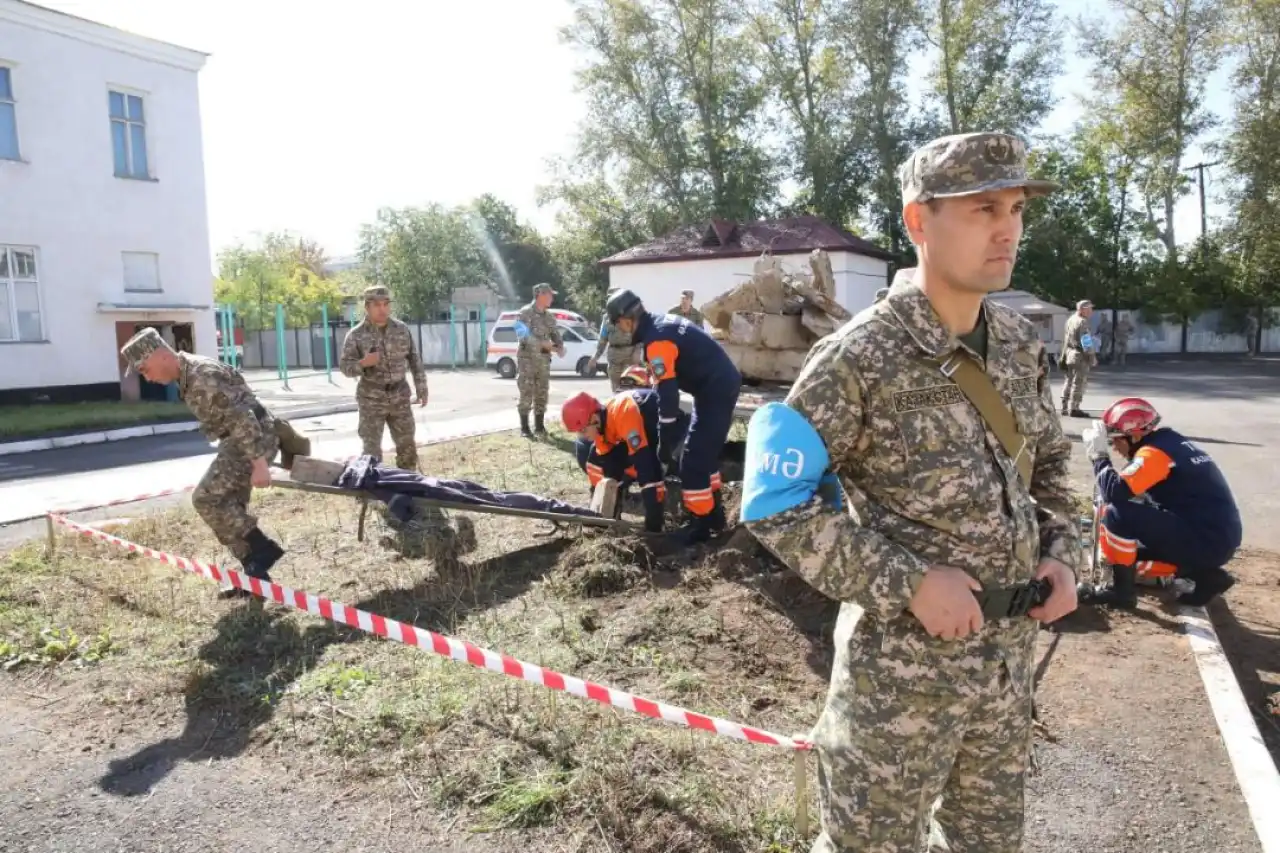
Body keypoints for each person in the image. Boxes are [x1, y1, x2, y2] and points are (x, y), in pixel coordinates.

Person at [739, 131, 1080, 853]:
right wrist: (911, 581)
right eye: (984, 207)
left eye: (1017, 207)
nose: (1009, 227)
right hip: (898, 688)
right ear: (918, 222)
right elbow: (774, 503)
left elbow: (1053, 461)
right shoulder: (857, 355)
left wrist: (1063, 550)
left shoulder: (1019, 344)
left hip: (1005, 668)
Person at [120, 327, 296, 594]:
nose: (147, 377)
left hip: (254, 438)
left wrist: (259, 465)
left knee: (206, 498)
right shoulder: (188, 374)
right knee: (229, 505)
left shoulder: (202, 376)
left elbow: (243, 418)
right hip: (239, 440)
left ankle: (261, 547)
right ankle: (255, 575)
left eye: (145, 369)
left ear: (160, 356)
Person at [605, 287, 742, 543]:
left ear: (626, 320)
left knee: (692, 463)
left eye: (619, 325)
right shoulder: (659, 324)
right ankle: (714, 516)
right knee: (700, 453)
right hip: (713, 387)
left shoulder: (657, 341)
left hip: (716, 390)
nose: (622, 330)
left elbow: (668, 395)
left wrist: (664, 439)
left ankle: (702, 527)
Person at [1078, 397, 1242, 608]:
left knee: (1116, 513)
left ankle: (1121, 594)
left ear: (1134, 435)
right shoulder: (1171, 441)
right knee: (1129, 556)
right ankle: (1208, 576)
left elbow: (1114, 492)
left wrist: (1099, 456)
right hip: (1215, 538)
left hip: (1205, 540)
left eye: (1115, 440)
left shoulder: (1154, 453)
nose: (1115, 448)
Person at [339, 286, 428, 471]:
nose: (383, 309)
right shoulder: (355, 335)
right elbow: (345, 367)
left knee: (407, 447)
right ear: (367, 307)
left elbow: (414, 358)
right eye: (377, 305)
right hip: (371, 399)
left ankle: (408, 489)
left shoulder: (401, 329)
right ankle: (373, 493)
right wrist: (363, 363)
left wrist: (421, 387)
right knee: (371, 452)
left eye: (386, 304)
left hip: (399, 396)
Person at [561, 388, 670, 533]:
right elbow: (609, 466)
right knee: (602, 461)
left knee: (650, 471)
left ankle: (657, 522)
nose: (582, 436)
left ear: (594, 419)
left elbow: (644, 462)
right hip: (636, 432)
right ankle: (609, 515)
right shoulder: (600, 427)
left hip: (659, 426)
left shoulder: (624, 413)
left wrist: (652, 519)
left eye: (582, 430)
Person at [515, 283, 565, 437]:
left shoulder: (549, 316)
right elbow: (521, 334)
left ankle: (539, 426)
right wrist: (542, 343)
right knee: (526, 392)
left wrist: (560, 345)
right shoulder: (524, 313)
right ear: (540, 295)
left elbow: (555, 333)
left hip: (543, 360)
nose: (552, 298)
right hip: (527, 361)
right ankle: (524, 428)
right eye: (550, 295)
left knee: (542, 392)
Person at [1059, 299, 1096, 416]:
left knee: (1068, 380)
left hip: (1070, 354)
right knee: (1078, 382)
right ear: (1082, 310)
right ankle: (1074, 408)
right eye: (1089, 309)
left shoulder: (1070, 320)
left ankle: (1064, 406)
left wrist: (1063, 356)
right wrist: (1092, 357)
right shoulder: (1082, 322)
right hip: (1080, 356)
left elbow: (1065, 340)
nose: (1091, 311)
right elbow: (1086, 342)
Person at [588, 314, 640, 392]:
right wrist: (595, 357)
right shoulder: (607, 318)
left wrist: (637, 350)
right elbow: (603, 339)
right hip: (614, 356)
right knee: (615, 386)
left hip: (629, 355)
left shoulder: (631, 314)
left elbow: (639, 335)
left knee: (629, 384)